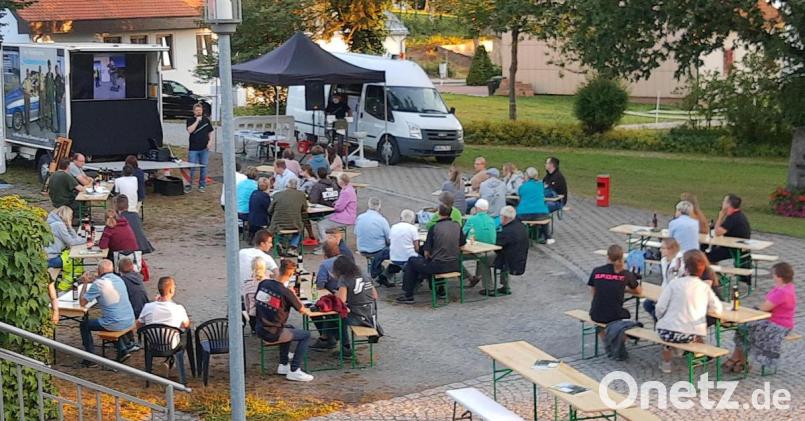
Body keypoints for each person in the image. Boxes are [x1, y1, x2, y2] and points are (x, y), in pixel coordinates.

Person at [655, 250, 723, 373]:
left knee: (668, 337)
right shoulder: (704, 287)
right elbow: (717, 308)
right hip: (690, 334)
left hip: (666, 331)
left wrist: (661, 318)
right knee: (691, 330)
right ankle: (698, 355)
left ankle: (666, 364)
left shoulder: (674, 283)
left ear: (685, 269)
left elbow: (660, 307)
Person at [725, 262, 796, 373]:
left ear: (779, 276)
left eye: (774, 274)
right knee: (743, 328)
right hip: (776, 321)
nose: (772, 276)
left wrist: (753, 310)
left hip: (778, 325)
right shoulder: (787, 287)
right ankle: (739, 360)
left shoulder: (782, 292)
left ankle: (740, 360)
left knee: (744, 328)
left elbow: (764, 308)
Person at [254, 259, 315, 382]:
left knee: (289, 328)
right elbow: (302, 310)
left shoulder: (264, 283)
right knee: (305, 335)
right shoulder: (286, 292)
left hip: (259, 327)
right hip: (273, 332)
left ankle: (283, 364)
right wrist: (293, 294)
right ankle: (295, 370)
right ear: (291, 274)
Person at [397, 205, 466, 304]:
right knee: (431, 261)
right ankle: (440, 290)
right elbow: (462, 243)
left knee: (413, 261)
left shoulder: (434, 228)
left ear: (438, 213)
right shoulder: (457, 226)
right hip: (454, 264)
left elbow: (426, 252)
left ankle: (408, 294)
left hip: (439, 266)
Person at [79, 260, 136, 365]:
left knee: (84, 324)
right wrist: (95, 279)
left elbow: (82, 302)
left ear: (98, 270)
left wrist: (85, 283)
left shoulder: (98, 284)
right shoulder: (119, 279)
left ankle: (90, 357)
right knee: (111, 317)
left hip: (115, 323)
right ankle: (122, 348)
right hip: (129, 319)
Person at [332, 256, 379, 358]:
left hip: (356, 314)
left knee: (338, 317)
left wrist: (336, 294)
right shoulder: (365, 274)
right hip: (370, 313)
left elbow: (341, 301)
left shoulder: (344, 279)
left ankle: (345, 347)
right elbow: (375, 295)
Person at [588, 245, 642, 324]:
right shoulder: (626, 274)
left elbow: (594, 293)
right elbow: (638, 291)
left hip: (595, 314)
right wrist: (624, 289)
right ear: (622, 258)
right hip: (614, 316)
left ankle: (603, 332)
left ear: (608, 257)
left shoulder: (596, 271)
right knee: (627, 313)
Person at [137, 276, 191, 353]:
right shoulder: (178, 308)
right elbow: (186, 325)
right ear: (171, 290)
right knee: (185, 334)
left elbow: (139, 325)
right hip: (172, 345)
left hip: (153, 344)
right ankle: (177, 358)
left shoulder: (147, 307)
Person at [642, 238, 684, 321]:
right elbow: (665, 280)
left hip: (677, 296)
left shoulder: (679, 263)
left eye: (663, 248)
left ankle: (663, 323)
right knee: (647, 304)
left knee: (656, 312)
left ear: (671, 249)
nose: (660, 250)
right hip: (666, 292)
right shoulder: (664, 260)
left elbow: (676, 283)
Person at [355, 197, 393, 286]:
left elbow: (356, 232)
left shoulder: (360, 217)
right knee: (398, 252)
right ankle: (384, 274)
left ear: (368, 205)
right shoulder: (382, 220)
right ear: (379, 207)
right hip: (376, 250)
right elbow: (389, 239)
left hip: (361, 248)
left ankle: (380, 273)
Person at [492, 206, 529, 295]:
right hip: (520, 258)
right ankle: (505, 286)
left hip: (508, 261)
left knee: (483, 259)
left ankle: (488, 287)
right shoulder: (521, 226)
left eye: (500, 216)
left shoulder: (507, 231)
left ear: (505, 217)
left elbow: (496, 244)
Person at [315, 173, 357, 250]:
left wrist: (335, 204)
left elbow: (339, 208)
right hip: (347, 215)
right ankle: (329, 241)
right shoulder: (350, 189)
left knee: (321, 225)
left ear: (340, 182)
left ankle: (325, 247)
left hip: (345, 217)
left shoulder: (345, 192)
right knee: (322, 219)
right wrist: (337, 202)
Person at [707, 194, 751, 265]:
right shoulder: (738, 215)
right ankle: (714, 270)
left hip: (734, 249)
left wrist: (720, 216)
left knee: (707, 256)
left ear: (728, 204)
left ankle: (711, 271)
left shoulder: (733, 217)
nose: (722, 203)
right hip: (739, 248)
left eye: (724, 201)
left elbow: (717, 232)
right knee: (712, 250)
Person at [462, 199, 496, 290]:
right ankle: (478, 276)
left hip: (475, 249)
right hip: (490, 249)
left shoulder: (472, 219)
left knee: (455, 258)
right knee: (483, 256)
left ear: (477, 208)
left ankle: (468, 277)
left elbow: (462, 233)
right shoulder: (491, 220)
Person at [268, 178, 307, 250]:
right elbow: (304, 209)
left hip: (278, 225)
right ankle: (293, 246)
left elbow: (269, 210)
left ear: (287, 185)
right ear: (296, 186)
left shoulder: (277, 194)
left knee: (279, 228)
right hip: (295, 224)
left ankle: (279, 242)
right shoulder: (302, 195)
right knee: (300, 228)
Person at [517, 167, 553, 244]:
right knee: (545, 213)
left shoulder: (522, 187)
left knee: (515, 218)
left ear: (527, 176)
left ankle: (521, 237)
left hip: (524, 214)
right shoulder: (541, 185)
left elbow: (520, 199)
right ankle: (547, 236)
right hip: (542, 214)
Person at [185, 103, 214, 193]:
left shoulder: (206, 120)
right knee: (191, 168)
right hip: (193, 148)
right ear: (193, 111)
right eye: (197, 110)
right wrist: (197, 121)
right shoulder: (190, 120)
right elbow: (190, 130)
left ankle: (202, 185)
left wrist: (210, 142)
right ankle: (189, 185)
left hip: (204, 148)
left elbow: (210, 132)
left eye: (200, 110)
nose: (199, 112)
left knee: (204, 167)